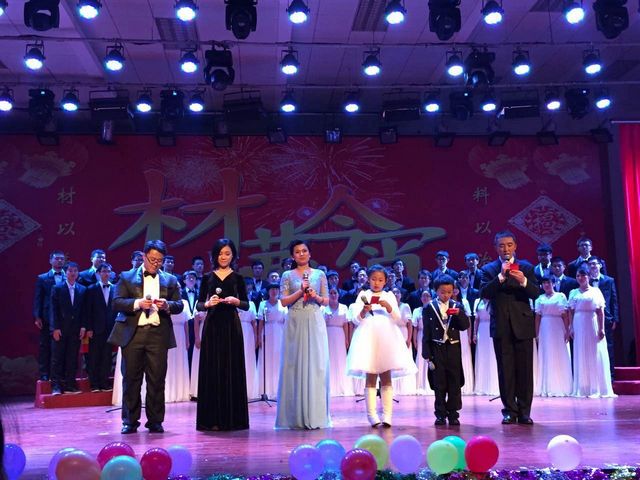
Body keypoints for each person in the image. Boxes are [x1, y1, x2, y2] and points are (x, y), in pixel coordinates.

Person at [108, 240, 184, 434]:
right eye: (152, 260)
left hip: (158, 335)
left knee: (157, 380)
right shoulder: (126, 277)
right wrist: (137, 303)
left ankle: (155, 421)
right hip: (133, 334)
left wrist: (167, 305)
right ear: (143, 256)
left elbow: (179, 305)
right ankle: (130, 421)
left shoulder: (170, 280)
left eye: (160, 261)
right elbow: (116, 302)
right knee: (131, 379)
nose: (156, 264)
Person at [346, 265, 417, 427]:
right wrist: (364, 311)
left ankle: (387, 415)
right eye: (373, 279)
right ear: (368, 280)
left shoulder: (389, 295)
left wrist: (388, 306)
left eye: (380, 280)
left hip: (386, 337)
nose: (376, 283)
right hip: (368, 337)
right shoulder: (363, 295)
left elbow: (398, 318)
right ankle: (371, 415)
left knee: (386, 376)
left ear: (385, 281)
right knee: (370, 375)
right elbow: (355, 320)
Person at [480, 230, 539, 425]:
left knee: (525, 370)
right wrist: (500, 277)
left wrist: (523, 281)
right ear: (496, 248)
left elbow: (536, 293)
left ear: (515, 246)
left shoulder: (527, 267)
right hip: (501, 325)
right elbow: (484, 292)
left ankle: (524, 412)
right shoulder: (489, 269)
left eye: (509, 245)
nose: (505, 249)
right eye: (501, 245)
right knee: (505, 370)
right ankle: (509, 411)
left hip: (523, 324)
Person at [275, 240, 331, 429]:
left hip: (314, 319)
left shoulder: (320, 274)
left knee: (316, 364)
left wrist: (315, 296)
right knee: (293, 364)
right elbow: (283, 301)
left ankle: (316, 414)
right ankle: (294, 416)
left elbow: (326, 300)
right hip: (295, 320)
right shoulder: (287, 275)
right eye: (297, 252)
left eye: (304, 250)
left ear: (310, 253)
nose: (301, 254)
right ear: (292, 256)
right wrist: (300, 291)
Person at [196, 238, 250, 431]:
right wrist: (208, 304)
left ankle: (232, 419)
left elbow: (246, 304)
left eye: (227, 253)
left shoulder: (238, 278)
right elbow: (199, 304)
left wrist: (236, 301)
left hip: (231, 327)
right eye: (220, 254)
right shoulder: (207, 278)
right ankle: (211, 419)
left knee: (231, 368)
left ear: (233, 255)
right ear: (214, 256)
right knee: (211, 369)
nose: (224, 257)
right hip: (212, 326)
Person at [422, 274, 470, 425]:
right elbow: (426, 332)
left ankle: (453, 413)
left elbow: (465, 326)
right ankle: (440, 414)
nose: (446, 295)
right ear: (436, 291)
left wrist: (459, 314)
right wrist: (426, 353)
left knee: (454, 381)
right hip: (437, 348)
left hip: (453, 347)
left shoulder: (457, 306)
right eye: (442, 292)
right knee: (439, 382)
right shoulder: (429, 307)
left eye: (449, 292)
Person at [569, 268, 615, 398]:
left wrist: (601, 328)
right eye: (578, 275)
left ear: (588, 277)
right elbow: (571, 311)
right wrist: (571, 327)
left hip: (592, 322)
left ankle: (597, 387)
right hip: (579, 323)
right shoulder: (573, 292)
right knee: (581, 352)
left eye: (583, 275)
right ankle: (584, 387)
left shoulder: (596, 291)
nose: (580, 278)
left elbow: (600, 311)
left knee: (595, 352)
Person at [50, 262, 87, 395]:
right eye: (70, 271)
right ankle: (56, 386)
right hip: (60, 329)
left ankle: (70, 385)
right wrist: (55, 328)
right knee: (58, 358)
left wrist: (83, 326)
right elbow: (53, 310)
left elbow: (84, 310)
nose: (73, 273)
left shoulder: (82, 289)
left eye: (75, 271)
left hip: (75, 330)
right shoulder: (57, 288)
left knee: (72, 358)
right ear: (65, 273)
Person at [534, 277, 572, 397]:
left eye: (548, 282)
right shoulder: (540, 298)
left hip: (558, 326)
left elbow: (565, 315)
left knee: (559, 353)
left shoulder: (561, 296)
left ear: (553, 283)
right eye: (544, 283)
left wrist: (567, 330)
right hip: (545, 327)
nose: (546, 285)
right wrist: (537, 334)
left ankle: (562, 386)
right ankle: (547, 386)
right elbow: (537, 318)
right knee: (547, 354)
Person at [32, 250, 65, 381]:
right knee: (45, 346)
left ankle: (61, 374)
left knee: (62, 347)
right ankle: (44, 373)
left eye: (62, 259)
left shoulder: (69, 276)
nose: (60, 261)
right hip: (47, 317)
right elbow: (38, 298)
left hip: (64, 317)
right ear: (50, 260)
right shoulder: (42, 278)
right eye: (57, 258)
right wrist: (37, 316)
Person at [85, 263, 117, 392]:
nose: (106, 274)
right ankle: (94, 384)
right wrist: (89, 328)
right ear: (98, 273)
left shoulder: (115, 288)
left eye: (108, 271)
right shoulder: (91, 289)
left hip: (110, 329)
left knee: (107, 357)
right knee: (94, 357)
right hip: (95, 329)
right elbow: (87, 311)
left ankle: (104, 382)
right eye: (103, 271)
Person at [587, 256, 619, 374]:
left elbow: (614, 300)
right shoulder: (585, 280)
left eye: (594, 264)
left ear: (600, 265)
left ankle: (610, 374)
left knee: (608, 346)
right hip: (589, 318)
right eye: (590, 264)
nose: (592, 266)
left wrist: (615, 319)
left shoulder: (609, 280)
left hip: (606, 318)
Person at [257, 283, 287, 400]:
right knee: (266, 360)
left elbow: (286, 321)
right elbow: (260, 321)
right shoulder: (263, 304)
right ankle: (266, 390)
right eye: (272, 289)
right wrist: (258, 337)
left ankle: (278, 389)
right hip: (267, 332)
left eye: (276, 289)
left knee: (278, 359)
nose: (274, 291)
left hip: (280, 332)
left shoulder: (282, 304)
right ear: (268, 292)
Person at [323, 287, 354, 397]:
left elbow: (346, 324)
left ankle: (342, 386)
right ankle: (330, 387)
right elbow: (321, 325)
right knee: (329, 360)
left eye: (335, 293)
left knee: (341, 359)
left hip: (340, 334)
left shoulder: (344, 307)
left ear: (338, 294)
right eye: (331, 293)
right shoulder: (324, 308)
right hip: (328, 334)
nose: (333, 295)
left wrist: (347, 339)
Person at [391, 287, 417, 395]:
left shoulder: (405, 306)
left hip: (403, 333)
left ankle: (405, 387)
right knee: (393, 359)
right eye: (393, 293)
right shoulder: (388, 307)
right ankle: (393, 387)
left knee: (404, 359)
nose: (395, 294)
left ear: (400, 295)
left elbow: (409, 324)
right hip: (392, 333)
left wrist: (409, 339)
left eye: (397, 292)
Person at [472, 298, 499, 396]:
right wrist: (474, 334)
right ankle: (481, 386)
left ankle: (494, 386)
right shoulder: (477, 301)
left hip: (492, 328)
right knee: (482, 357)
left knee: (492, 356)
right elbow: (476, 319)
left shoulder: (494, 300)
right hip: (481, 329)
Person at [411, 290, 435, 395]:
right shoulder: (417, 311)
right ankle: (420, 384)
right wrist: (415, 341)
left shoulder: (434, 309)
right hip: (421, 336)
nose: (425, 298)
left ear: (431, 298)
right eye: (423, 296)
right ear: (421, 298)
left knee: (431, 359)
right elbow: (415, 328)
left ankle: (431, 384)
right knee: (421, 359)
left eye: (427, 296)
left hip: (432, 336)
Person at [238, 299, 259, 400]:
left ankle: (250, 389)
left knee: (248, 359)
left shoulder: (251, 304)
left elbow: (254, 323)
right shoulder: (233, 302)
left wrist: (256, 337)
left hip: (248, 333)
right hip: (236, 330)